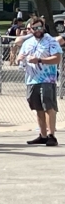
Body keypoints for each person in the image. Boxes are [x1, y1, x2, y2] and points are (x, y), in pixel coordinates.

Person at [19, 17, 61, 146]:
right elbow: (21, 57)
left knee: (49, 107)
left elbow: (57, 58)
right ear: (30, 29)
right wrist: (19, 59)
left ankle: (51, 135)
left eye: (39, 27)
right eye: (34, 28)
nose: (37, 30)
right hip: (31, 80)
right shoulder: (28, 42)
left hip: (47, 79)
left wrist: (40, 60)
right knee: (38, 108)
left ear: (43, 27)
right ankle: (42, 135)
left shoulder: (51, 41)